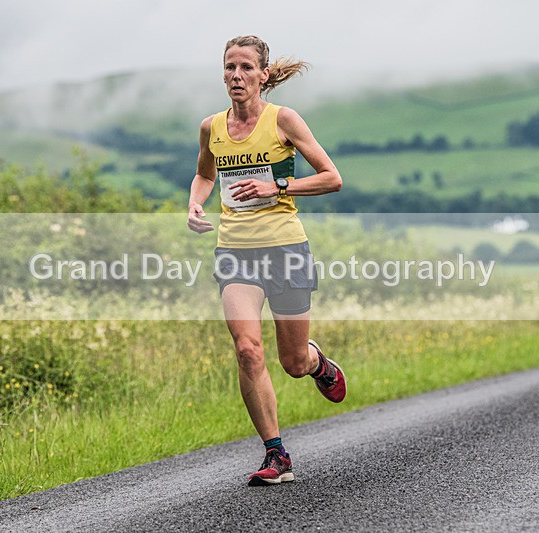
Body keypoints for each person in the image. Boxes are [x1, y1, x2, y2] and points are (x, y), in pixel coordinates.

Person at [187, 35, 346, 486]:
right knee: (246, 350)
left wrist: (276, 188)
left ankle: (319, 365)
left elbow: (332, 178)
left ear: (263, 75)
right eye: (229, 68)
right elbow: (203, 174)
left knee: (292, 361)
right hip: (235, 251)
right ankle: (276, 455)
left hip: (285, 249)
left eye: (245, 68)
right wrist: (195, 204)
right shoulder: (211, 127)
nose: (236, 76)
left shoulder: (284, 120)